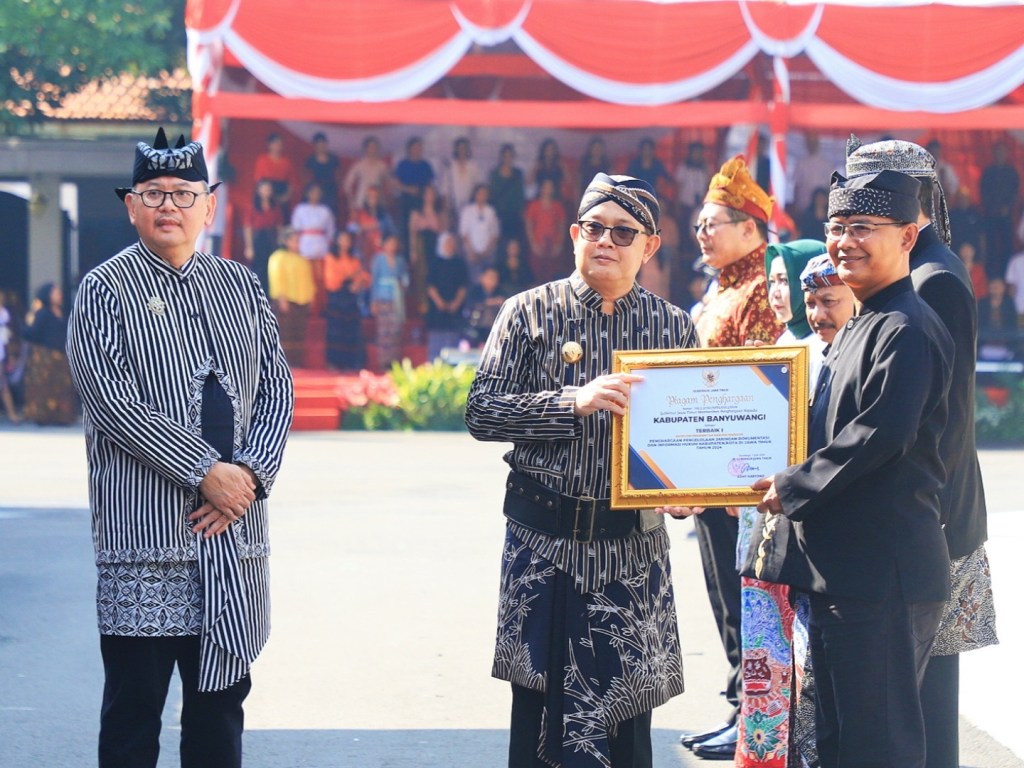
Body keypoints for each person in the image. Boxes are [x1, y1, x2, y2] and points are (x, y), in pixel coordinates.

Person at [65, 128, 293, 768]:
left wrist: (246, 476)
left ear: (210, 206)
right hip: (147, 542)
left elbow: (278, 389)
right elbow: (110, 403)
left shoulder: (243, 289)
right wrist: (203, 472)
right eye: (154, 193)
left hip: (232, 543)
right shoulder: (104, 290)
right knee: (135, 711)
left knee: (220, 713)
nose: (170, 205)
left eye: (184, 193)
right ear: (131, 205)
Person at [466, 173, 699, 768]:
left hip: (631, 549)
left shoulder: (673, 327)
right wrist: (572, 401)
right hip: (544, 542)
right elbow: (481, 411)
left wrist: (689, 488)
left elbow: (694, 430)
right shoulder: (526, 312)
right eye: (594, 228)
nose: (606, 241)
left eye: (624, 233)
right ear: (574, 234)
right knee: (540, 709)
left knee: (625, 713)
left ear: (650, 246)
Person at [751, 169, 952, 768]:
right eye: (837, 228)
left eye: (864, 228)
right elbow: (818, 430)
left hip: (883, 576)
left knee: (878, 744)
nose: (846, 242)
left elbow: (879, 435)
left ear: (908, 238)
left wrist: (790, 485)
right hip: (843, 573)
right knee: (840, 741)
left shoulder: (907, 328)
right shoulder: (860, 324)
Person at [844, 137, 998, 768]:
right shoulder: (920, 269)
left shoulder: (932, 281)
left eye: (867, 204)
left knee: (921, 705)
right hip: (926, 512)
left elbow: (934, 419)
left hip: (931, 514)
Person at [682, 155, 783, 760]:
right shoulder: (721, 289)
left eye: (714, 222)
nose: (702, 232)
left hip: (742, 478)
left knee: (747, 598)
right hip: (708, 472)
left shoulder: (760, 292)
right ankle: (737, 711)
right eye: (698, 223)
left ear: (751, 228)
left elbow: (756, 390)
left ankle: (751, 717)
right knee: (725, 597)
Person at [734, 239, 826, 768]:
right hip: (763, 523)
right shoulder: (779, 346)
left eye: (783, 279)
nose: (777, 291)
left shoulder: (825, 349)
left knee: (806, 655)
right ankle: (765, 752)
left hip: (804, 521)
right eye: (770, 281)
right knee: (764, 651)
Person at [23, 282, 77, 425]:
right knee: (44, 387)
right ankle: (43, 417)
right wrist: (31, 315)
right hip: (45, 356)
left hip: (60, 356)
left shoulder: (62, 312)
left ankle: (61, 417)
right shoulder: (42, 313)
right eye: (56, 292)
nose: (60, 294)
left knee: (61, 386)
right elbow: (31, 333)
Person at [268, 227, 316, 367]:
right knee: (285, 333)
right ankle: (281, 364)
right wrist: (281, 297)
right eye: (294, 240)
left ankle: (296, 362)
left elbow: (309, 279)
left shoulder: (302, 259)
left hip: (301, 301)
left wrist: (311, 296)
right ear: (286, 241)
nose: (297, 243)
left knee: (298, 333)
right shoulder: (278, 257)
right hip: (286, 300)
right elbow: (277, 278)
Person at [323, 230, 370, 371]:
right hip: (337, 298)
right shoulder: (331, 258)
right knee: (336, 330)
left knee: (351, 331)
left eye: (348, 240)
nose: (345, 243)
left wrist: (359, 283)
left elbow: (364, 277)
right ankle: (334, 363)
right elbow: (331, 281)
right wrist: (350, 276)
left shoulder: (354, 260)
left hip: (350, 298)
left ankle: (351, 363)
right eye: (342, 239)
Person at [290, 181, 337, 311]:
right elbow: (295, 229)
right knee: (305, 277)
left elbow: (331, 231)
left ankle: (320, 307)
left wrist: (326, 243)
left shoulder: (325, 210)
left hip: (321, 245)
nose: (315, 195)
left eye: (317, 192)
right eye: (312, 192)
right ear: (307, 193)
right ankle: (305, 306)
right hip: (305, 245)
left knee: (320, 278)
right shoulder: (300, 209)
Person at [424, 231, 469, 360]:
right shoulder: (435, 263)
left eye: (451, 243)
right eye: (447, 243)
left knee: (454, 336)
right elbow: (430, 285)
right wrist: (439, 302)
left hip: (455, 309)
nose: (450, 246)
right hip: (437, 309)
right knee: (437, 337)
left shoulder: (459, 263)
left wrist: (456, 302)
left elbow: (463, 286)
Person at [369, 234, 410, 371]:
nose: (392, 246)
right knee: (383, 331)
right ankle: (383, 361)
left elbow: (405, 278)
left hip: (396, 297)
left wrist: (403, 285)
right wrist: (373, 300)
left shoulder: (400, 261)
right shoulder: (378, 260)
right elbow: (374, 280)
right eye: (390, 243)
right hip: (382, 297)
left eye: (394, 243)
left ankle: (394, 362)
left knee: (395, 330)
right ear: (384, 244)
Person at [979, 141, 1020, 279]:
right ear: (994, 153)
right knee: (991, 246)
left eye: (1003, 151)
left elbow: (1015, 191)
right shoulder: (988, 171)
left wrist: (1007, 207)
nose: (1000, 154)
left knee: (1006, 246)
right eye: (998, 151)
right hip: (991, 214)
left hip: (1006, 214)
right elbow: (983, 191)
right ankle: (990, 275)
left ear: (1007, 153)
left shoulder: (1011, 171)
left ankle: (1005, 275)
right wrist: (992, 207)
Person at [242, 178, 284, 295]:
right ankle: (254, 295)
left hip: (271, 240)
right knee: (257, 269)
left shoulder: (275, 207)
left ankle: (268, 297)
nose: (266, 191)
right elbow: (247, 227)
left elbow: (279, 227)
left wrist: (280, 243)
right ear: (258, 190)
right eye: (264, 189)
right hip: (257, 239)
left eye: (268, 189)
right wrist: (249, 247)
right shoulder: (252, 206)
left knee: (270, 269)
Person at [392, 136, 435, 247]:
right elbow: (395, 183)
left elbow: (431, 183)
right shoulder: (403, 164)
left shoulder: (425, 165)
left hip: (422, 201)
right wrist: (408, 189)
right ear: (410, 149)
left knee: (423, 230)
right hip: (407, 200)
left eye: (420, 147)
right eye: (415, 147)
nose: (418, 149)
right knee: (406, 230)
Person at [524, 178, 568, 284]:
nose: (547, 190)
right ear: (541, 188)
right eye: (545, 187)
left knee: (552, 273)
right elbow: (529, 226)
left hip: (553, 243)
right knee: (537, 273)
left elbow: (562, 227)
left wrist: (559, 244)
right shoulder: (534, 205)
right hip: (538, 242)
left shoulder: (558, 206)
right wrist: (533, 244)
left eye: (550, 187)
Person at [459, 183, 501, 282]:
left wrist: (488, 250)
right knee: (475, 280)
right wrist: (471, 251)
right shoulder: (468, 211)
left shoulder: (491, 211)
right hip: (472, 253)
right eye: (480, 193)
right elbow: (464, 233)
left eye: (484, 194)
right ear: (475, 195)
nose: (482, 196)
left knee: (489, 280)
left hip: (488, 253)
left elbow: (495, 234)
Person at [252, 132, 298, 215]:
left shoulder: (286, 162)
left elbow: (292, 183)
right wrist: (267, 196)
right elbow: (259, 181)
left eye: (280, 144)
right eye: (275, 143)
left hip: (282, 194)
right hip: (266, 195)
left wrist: (285, 197)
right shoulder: (262, 160)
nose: (278, 146)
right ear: (269, 145)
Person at [489, 143, 527, 241]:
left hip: (514, 215)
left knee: (513, 242)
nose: (508, 158)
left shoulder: (518, 174)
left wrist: (521, 212)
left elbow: (521, 195)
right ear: (501, 157)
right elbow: (491, 195)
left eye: (510, 155)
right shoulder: (494, 174)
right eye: (505, 156)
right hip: (498, 215)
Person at [440, 136, 481, 221]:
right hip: (453, 208)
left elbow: (478, 188)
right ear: (456, 149)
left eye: (464, 148)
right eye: (459, 148)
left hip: (469, 206)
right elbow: (444, 189)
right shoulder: (450, 166)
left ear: (468, 150)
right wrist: (446, 208)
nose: (462, 150)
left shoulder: (473, 166)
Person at [304, 131, 342, 214]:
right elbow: (305, 177)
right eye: (318, 144)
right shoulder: (310, 160)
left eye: (322, 144)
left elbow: (339, 175)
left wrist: (336, 187)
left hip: (330, 194)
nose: (321, 147)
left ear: (326, 145)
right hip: (315, 194)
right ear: (314, 146)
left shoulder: (333, 159)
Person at [0, 290, 23, 423]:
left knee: (3, 384)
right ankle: (12, 414)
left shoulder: (4, 313)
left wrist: (10, 355)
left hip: (1, 353)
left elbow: (7, 336)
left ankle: (12, 414)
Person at [529, 137, 569, 201]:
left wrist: (563, 167)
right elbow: (529, 183)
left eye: (551, 149)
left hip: (556, 197)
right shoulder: (539, 165)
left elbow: (569, 181)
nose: (549, 152)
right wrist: (535, 169)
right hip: (540, 198)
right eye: (547, 149)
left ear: (555, 151)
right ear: (543, 151)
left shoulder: (559, 165)